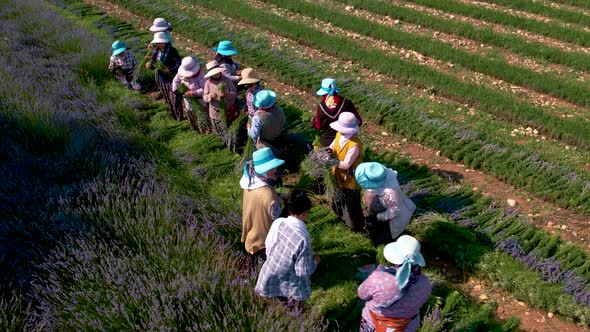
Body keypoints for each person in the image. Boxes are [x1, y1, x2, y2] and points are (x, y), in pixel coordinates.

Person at [255, 189, 320, 310]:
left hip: (269, 274)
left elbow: (268, 246)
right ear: (305, 213)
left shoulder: (279, 222)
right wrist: (315, 261)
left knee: (276, 307)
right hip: (289, 285)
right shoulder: (303, 238)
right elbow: (303, 272)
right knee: (293, 311)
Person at [358, 235, 432, 332]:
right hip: (407, 327)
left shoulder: (378, 279)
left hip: (374, 323)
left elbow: (362, 294)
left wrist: (377, 273)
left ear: (394, 259)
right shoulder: (425, 282)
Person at [240, 147, 285, 275]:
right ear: (264, 170)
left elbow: (261, 202)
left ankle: (248, 277)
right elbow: (276, 218)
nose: (276, 170)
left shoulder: (250, 182)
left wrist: (282, 195)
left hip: (251, 234)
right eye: (272, 167)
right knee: (270, 266)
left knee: (251, 262)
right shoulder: (268, 195)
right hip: (264, 239)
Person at [355, 162, 416, 246]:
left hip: (395, 217)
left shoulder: (390, 195)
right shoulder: (383, 174)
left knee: (380, 236)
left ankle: (380, 242)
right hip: (390, 205)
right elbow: (371, 189)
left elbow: (394, 212)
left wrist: (378, 217)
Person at [329, 112, 364, 231]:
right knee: (338, 199)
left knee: (351, 205)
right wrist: (328, 151)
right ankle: (341, 218)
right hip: (338, 175)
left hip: (350, 180)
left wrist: (331, 161)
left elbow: (346, 165)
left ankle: (356, 227)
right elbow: (332, 146)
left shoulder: (354, 144)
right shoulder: (339, 135)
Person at [311, 78, 363, 147]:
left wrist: (313, 122)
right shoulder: (347, 103)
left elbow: (319, 126)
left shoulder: (320, 108)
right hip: (346, 142)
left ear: (324, 94)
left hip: (327, 142)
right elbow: (359, 121)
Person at [146, 32, 183, 120]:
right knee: (168, 99)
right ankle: (174, 116)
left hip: (171, 79)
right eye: (157, 43)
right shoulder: (156, 51)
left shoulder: (172, 51)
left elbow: (179, 63)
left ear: (165, 42)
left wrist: (170, 69)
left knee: (174, 99)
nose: (158, 44)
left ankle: (179, 117)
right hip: (162, 79)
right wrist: (150, 65)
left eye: (160, 42)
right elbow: (154, 62)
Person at [202, 60, 239, 136]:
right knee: (219, 128)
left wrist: (226, 94)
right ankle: (221, 139)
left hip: (229, 109)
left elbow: (235, 93)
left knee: (229, 127)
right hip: (215, 111)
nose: (216, 74)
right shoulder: (208, 83)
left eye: (217, 72)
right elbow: (204, 97)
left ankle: (230, 139)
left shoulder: (227, 80)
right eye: (213, 73)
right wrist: (210, 96)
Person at [172, 57, 209, 132]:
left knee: (202, 115)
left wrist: (193, 93)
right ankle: (196, 130)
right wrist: (175, 90)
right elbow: (175, 80)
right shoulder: (181, 73)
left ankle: (205, 130)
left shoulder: (201, 74)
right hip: (188, 100)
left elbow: (205, 88)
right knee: (192, 113)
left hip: (200, 101)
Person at [248, 90, 288, 155]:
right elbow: (283, 122)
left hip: (267, 141)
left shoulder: (258, 117)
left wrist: (249, 128)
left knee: (256, 144)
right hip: (279, 136)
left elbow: (254, 135)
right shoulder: (279, 109)